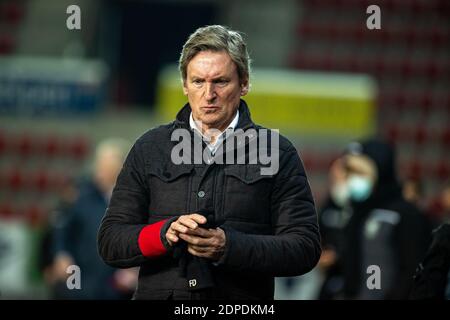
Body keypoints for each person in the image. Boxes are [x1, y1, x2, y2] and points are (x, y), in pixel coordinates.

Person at [97, 25, 321, 300]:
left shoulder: (277, 151)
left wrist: (229, 246)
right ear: (184, 85)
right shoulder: (149, 148)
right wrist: (163, 234)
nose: (209, 94)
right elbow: (111, 241)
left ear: (244, 84)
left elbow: (304, 248)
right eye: (198, 81)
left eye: (221, 81)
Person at [335, 139, 431, 299]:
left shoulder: (405, 215)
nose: (352, 178)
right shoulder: (358, 212)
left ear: (380, 170)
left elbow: (412, 271)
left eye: (359, 172)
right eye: (349, 172)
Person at [50, 138, 138, 299]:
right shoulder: (81, 195)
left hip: (116, 284)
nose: (99, 170)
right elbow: (63, 229)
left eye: (106, 165)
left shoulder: (135, 198)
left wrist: (134, 269)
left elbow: (142, 236)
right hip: (81, 278)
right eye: (99, 163)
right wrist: (61, 254)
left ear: (120, 167)